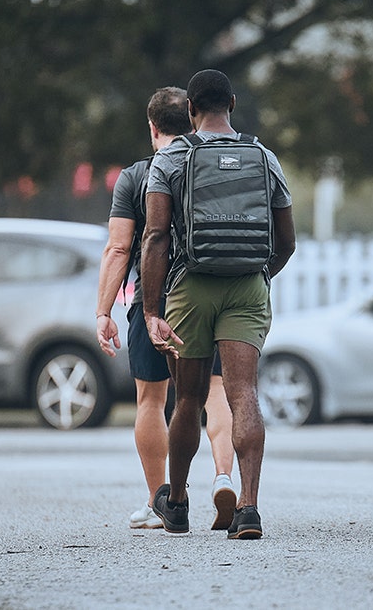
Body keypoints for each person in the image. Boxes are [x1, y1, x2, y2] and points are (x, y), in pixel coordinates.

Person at [141, 69, 296, 539]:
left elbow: (154, 238)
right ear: (231, 102)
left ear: (190, 109)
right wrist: (258, 275)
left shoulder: (171, 159)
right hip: (248, 284)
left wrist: (152, 310)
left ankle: (180, 502)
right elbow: (287, 240)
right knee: (243, 392)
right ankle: (248, 508)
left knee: (187, 397)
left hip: (192, 286)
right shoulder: (264, 157)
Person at [94, 86, 238, 533]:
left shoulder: (137, 176)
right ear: (192, 117)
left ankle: (163, 501)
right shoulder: (213, 164)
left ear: (152, 127)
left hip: (153, 300)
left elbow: (120, 248)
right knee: (214, 392)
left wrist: (103, 311)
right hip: (208, 294)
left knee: (152, 400)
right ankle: (223, 476)